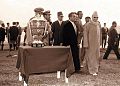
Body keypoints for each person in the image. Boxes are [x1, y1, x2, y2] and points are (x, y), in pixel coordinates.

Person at [83, 11, 101, 75]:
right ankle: (92, 70)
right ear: (92, 17)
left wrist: (100, 43)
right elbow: (85, 35)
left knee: (96, 57)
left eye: (97, 17)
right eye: (94, 17)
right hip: (90, 44)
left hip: (97, 45)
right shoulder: (88, 25)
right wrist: (86, 44)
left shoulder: (98, 24)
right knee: (91, 57)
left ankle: (95, 69)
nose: (95, 18)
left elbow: (100, 35)